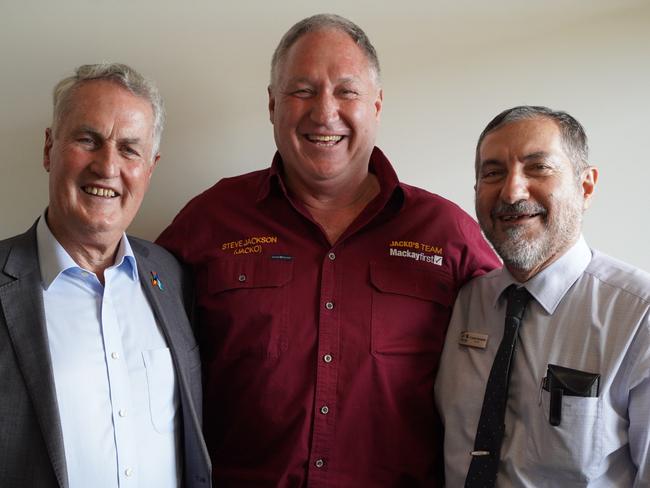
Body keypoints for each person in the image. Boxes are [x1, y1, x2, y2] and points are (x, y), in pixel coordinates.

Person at [157, 14, 499, 487]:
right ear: (273, 104)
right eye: (302, 90)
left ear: (376, 106)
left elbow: (513, 358)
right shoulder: (210, 221)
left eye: (346, 91)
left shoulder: (446, 233)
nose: (324, 112)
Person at [0, 63, 211, 488]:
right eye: (87, 139)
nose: (107, 166)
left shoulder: (172, 277)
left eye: (130, 149)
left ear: (150, 168)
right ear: (48, 148)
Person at [435, 105, 650, 486]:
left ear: (585, 186)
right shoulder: (464, 303)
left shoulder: (638, 316)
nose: (512, 190)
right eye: (492, 173)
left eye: (538, 167)